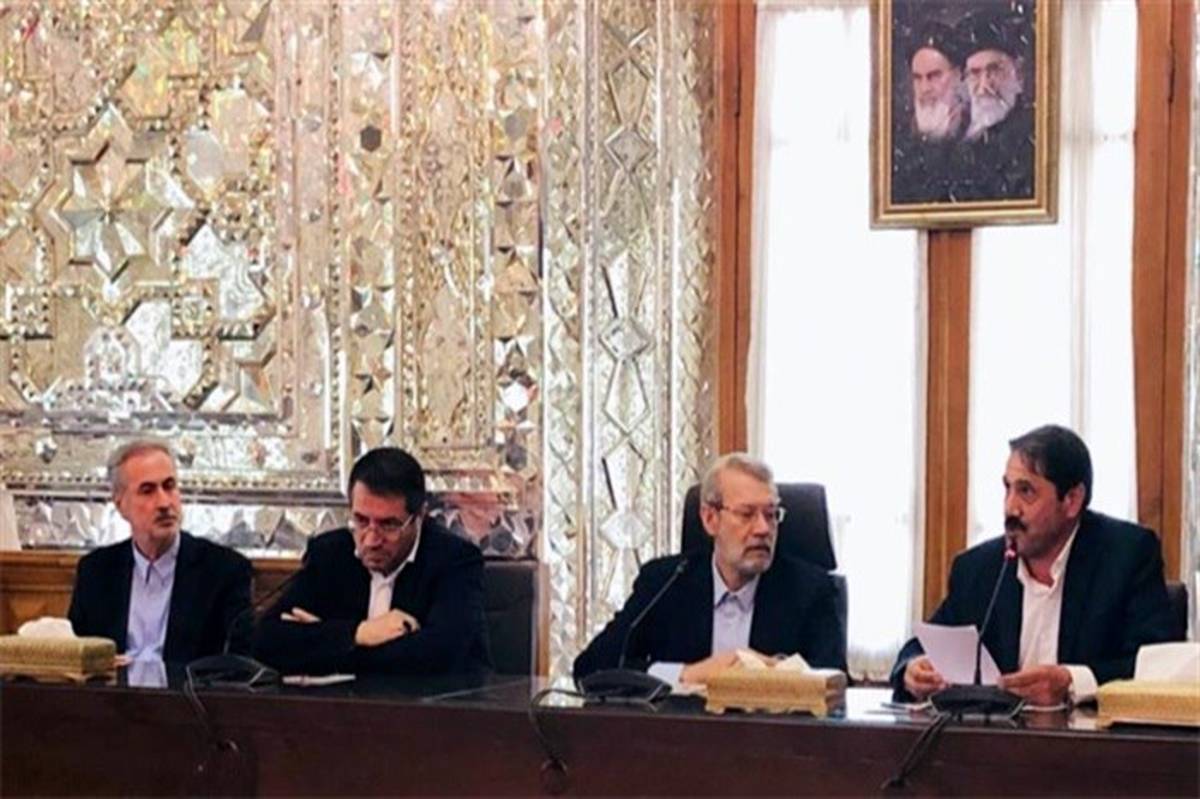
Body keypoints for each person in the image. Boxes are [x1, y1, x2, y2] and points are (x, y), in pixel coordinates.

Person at [891, 425, 1177, 706]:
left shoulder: (1127, 556)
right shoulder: (978, 568)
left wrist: (1072, 681)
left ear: (1072, 500)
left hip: (1089, 734)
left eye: (1026, 491)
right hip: (996, 735)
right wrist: (913, 669)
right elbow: (924, 646)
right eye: (1008, 488)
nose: (1010, 507)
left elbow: (1157, 667)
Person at [573, 453, 846, 686]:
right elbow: (591, 668)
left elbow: (834, 684)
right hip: (682, 733)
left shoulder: (812, 592)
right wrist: (687, 674)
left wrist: (772, 673)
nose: (763, 529)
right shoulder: (665, 582)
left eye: (771, 514)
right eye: (747, 514)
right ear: (710, 518)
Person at [253, 447, 490, 675]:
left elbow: (440, 655)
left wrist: (329, 646)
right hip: (339, 702)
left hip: (430, 702)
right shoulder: (330, 553)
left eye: (388, 525)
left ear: (419, 516)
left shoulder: (454, 560)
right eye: (361, 520)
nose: (371, 540)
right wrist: (360, 633)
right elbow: (266, 641)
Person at [68, 439, 252, 663]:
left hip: (184, 687)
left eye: (169, 486)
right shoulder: (96, 571)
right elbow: (76, 657)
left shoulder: (223, 570)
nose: (164, 503)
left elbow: (237, 663)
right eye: (147, 491)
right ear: (120, 504)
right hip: (115, 686)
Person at [952, 8, 1035, 199]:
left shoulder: (1030, 137)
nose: (984, 86)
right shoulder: (959, 137)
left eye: (995, 70)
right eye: (975, 73)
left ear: (1018, 74)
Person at [891, 23, 969, 203]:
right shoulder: (899, 141)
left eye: (934, 76)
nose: (924, 88)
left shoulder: (977, 133)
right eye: (917, 78)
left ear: (958, 76)